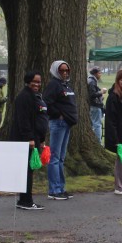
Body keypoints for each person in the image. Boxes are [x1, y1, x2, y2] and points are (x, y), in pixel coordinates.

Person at [10, 71, 49, 210]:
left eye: (39, 82)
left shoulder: (35, 96)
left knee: (29, 170)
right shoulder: (24, 97)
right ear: (28, 81)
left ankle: (25, 199)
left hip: (36, 138)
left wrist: (41, 139)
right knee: (27, 171)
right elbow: (24, 120)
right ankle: (26, 201)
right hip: (27, 140)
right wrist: (30, 139)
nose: (37, 84)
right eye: (34, 81)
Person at [43, 60, 78, 200]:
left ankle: (61, 188)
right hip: (58, 123)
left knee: (61, 158)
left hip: (66, 123)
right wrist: (59, 115)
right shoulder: (54, 85)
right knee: (55, 157)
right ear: (55, 71)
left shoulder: (66, 85)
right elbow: (46, 102)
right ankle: (54, 190)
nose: (64, 73)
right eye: (61, 70)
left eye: (66, 70)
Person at [88, 67, 105, 144]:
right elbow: (92, 95)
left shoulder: (92, 80)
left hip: (94, 105)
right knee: (97, 125)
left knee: (94, 124)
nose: (100, 74)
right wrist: (101, 92)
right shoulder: (92, 81)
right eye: (99, 73)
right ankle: (98, 143)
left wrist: (100, 97)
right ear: (95, 73)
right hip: (95, 106)